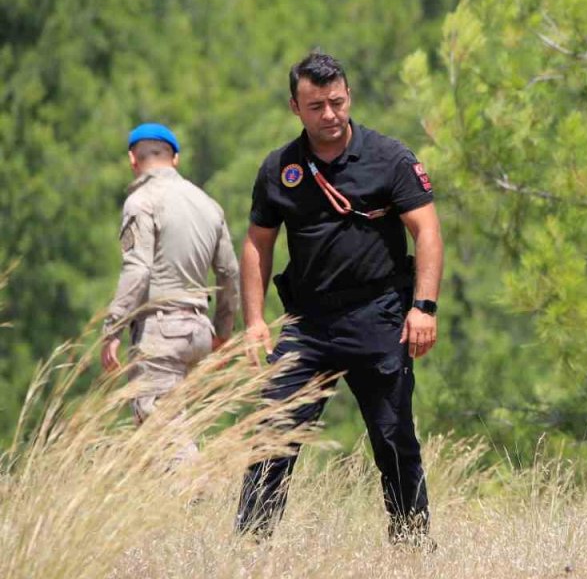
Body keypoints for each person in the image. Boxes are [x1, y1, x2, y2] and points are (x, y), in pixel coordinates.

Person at [234, 52, 443, 548]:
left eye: (336, 102)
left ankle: (412, 545)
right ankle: (249, 548)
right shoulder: (279, 168)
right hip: (308, 325)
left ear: (348, 97)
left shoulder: (389, 158)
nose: (329, 114)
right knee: (273, 434)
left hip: (380, 316)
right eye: (315, 106)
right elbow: (256, 243)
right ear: (295, 107)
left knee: (393, 440)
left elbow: (427, 232)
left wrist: (424, 307)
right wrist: (254, 321)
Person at [101, 123, 240, 464]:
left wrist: (112, 329)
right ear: (175, 158)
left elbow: (138, 269)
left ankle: (200, 497)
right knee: (173, 428)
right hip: (198, 332)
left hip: (161, 330)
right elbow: (229, 273)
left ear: (133, 159)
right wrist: (222, 332)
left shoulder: (141, 202)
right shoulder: (208, 205)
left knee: (161, 432)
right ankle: (176, 512)